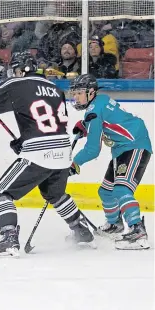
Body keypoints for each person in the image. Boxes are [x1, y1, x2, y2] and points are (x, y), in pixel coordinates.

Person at [0, 51, 95, 258]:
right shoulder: (56, 89)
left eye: (15, 70)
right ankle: (81, 230)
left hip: (39, 152)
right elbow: (47, 123)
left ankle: (9, 237)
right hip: (63, 151)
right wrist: (24, 139)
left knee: (1, 193)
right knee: (55, 194)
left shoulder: (17, 84)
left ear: (20, 70)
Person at [69, 74, 151, 250]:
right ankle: (115, 225)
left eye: (79, 93)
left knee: (121, 189)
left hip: (135, 145)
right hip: (122, 149)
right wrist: (85, 125)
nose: (75, 97)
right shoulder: (100, 100)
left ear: (91, 93)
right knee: (106, 191)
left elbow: (93, 150)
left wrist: (74, 163)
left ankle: (138, 231)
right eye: (73, 93)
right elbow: (107, 119)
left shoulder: (93, 112)